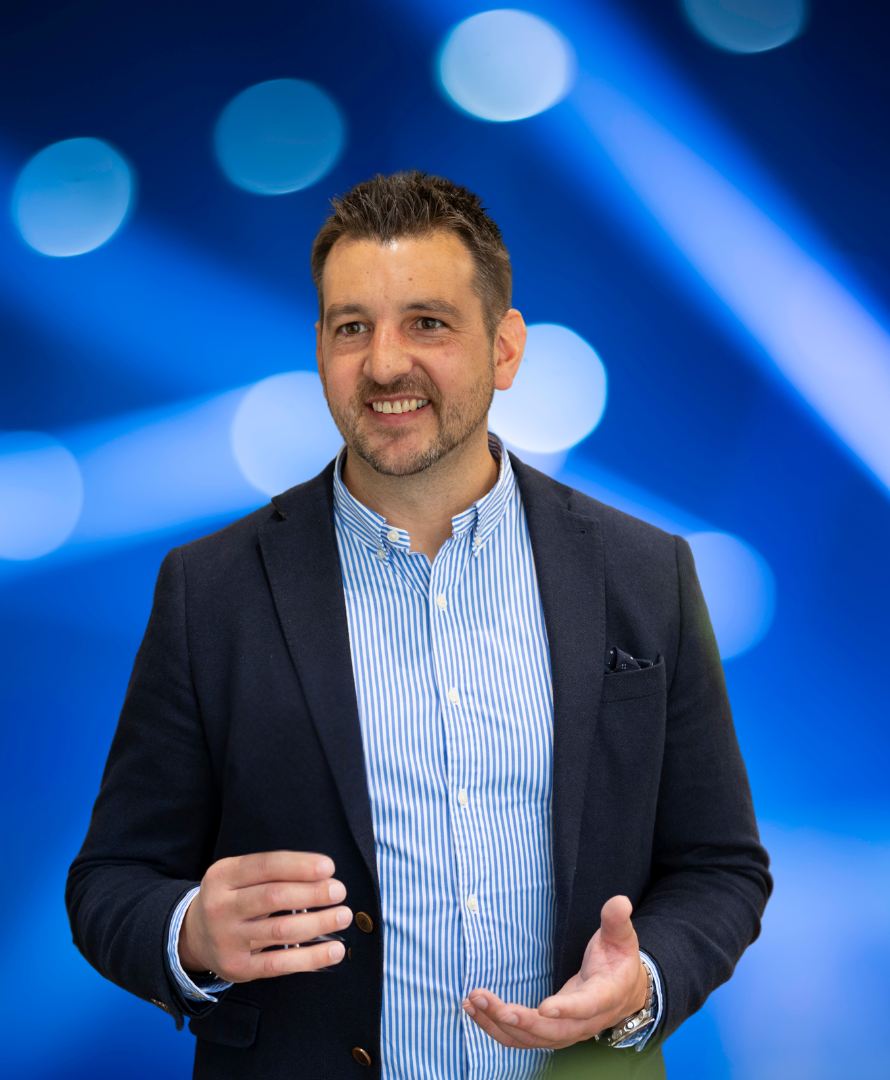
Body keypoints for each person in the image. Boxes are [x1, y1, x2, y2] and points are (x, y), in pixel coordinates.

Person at [67, 171, 770, 1078]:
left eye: (427, 323)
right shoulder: (211, 590)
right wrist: (191, 933)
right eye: (351, 327)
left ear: (505, 349)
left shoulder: (646, 572)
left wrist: (642, 983)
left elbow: (721, 867)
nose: (384, 364)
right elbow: (110, 881)